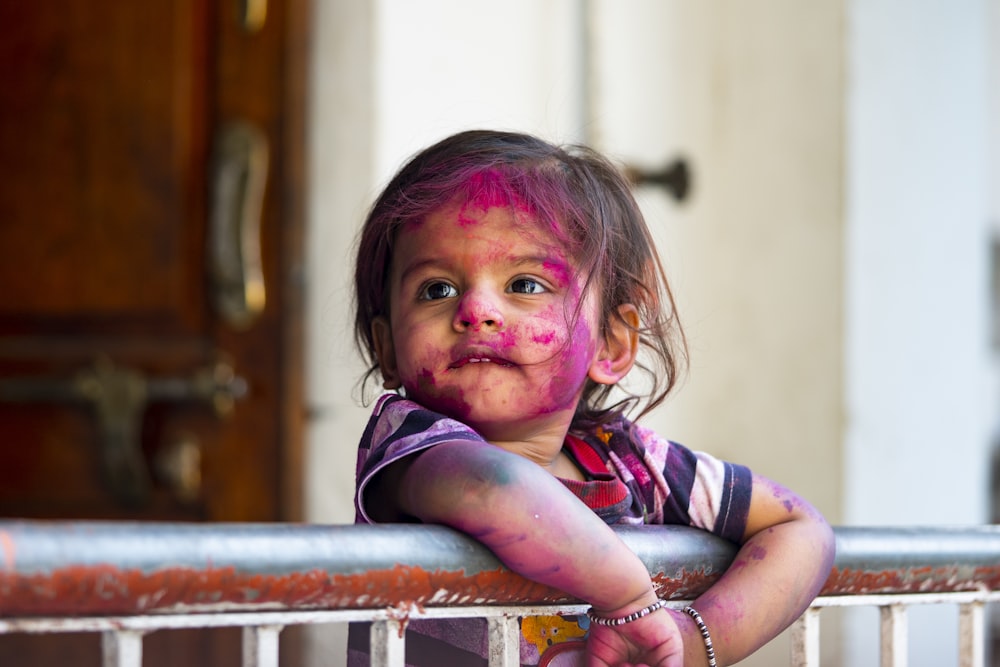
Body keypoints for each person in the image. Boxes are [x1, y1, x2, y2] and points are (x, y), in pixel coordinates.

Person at [347, 129, 835, 666]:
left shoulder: (627, 461)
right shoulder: (410, 443)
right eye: (436, 289)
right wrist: (628, 597)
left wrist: (690, 643)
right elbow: (491, 487)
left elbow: (800, 529)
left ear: (611, 343)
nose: (476, 309)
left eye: (526, 284)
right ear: (387, 345)